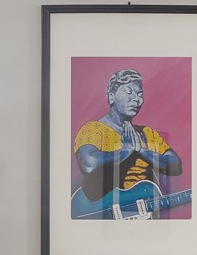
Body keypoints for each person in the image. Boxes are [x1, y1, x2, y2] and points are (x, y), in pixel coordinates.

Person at [72, 68, 183, 216]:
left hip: (142, 216)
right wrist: (126, 150)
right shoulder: (93, 130)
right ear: (111, 97)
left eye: (140, 94)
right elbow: (89, 164)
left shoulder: (147, 134)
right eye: (129, 92)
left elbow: (175, 164)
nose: (137, 99)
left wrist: (142, 150)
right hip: (102, 212)